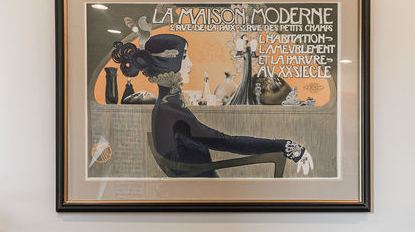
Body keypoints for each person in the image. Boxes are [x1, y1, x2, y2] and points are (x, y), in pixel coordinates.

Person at [112, 34, 314, 178]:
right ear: (169, 63)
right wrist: (284, 146)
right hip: (202, 192)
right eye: (185, 56)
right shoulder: (171, 109)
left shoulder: (168, 105)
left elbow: (220, 142)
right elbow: (227, 143)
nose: (191, 64)